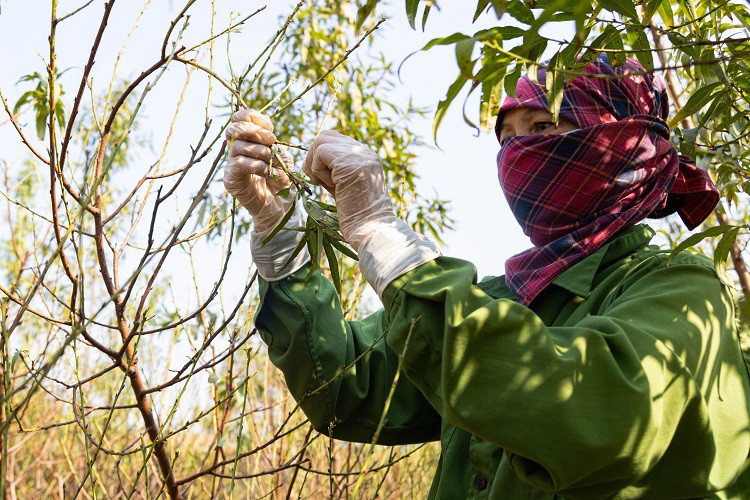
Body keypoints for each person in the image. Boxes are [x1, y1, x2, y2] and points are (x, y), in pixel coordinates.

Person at [222, 55, 750, 498]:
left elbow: (600, 417)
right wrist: (280, 233)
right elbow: (345, 386)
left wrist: (385, 239)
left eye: (543, 128)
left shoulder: (682, 291)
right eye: (508, 140)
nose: (520, 154)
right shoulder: (506, 300)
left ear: (622, 140)